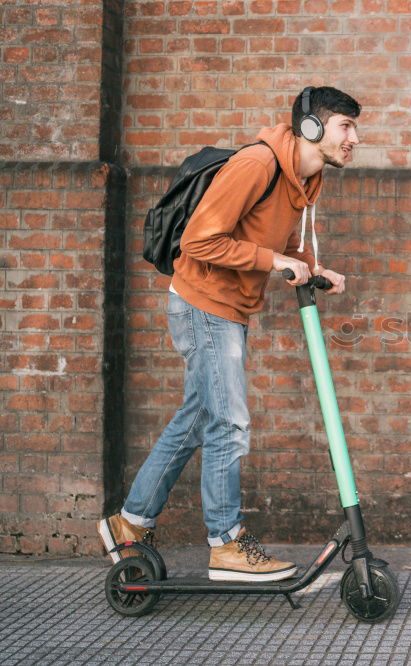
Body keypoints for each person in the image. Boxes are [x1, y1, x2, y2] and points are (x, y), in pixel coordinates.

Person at [98, 86, 361, 582]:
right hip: (203, 304)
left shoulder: (306, 179)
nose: (354, 138)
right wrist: (273, 261)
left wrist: (313, 268)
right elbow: (200, 239)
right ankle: (226, 543)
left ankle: (129, 522)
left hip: (229, 309)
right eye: (346, 126)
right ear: (313, 128)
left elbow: (274, 242)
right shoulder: (258, 165)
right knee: (230, 424)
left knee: (197, 419)